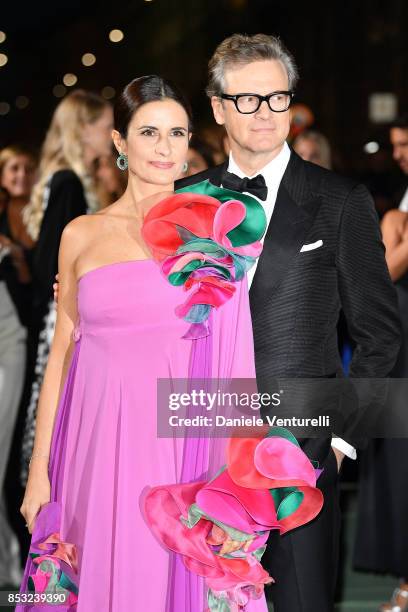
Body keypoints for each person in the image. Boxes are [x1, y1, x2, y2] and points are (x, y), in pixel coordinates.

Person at [176, 33, 401, 611]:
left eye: (277, 98)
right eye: (247, 99)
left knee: (300, 602)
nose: (266, 113)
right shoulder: (185, 203)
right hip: (198, 438)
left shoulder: (340, 199)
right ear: (219, 107)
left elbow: (379, 334)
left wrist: (342, 442)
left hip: (300, 447)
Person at [19, 90, 113, 487]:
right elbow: (51, 264)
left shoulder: (65, 178)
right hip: (66, 319)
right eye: (106, 127)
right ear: (84, 130)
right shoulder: (69, 183)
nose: (112, 135)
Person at [353, 114, 408, 612]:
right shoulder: (397, 211)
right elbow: (383, 274)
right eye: (395, 145)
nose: (400, 154)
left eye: (406, 144)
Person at [0, 146, 37, 588]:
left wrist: (20, 258)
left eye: (28, 166)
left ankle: (13, 564)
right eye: (14, 167)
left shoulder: (43, 215)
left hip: (20, 341)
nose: (21, 174)